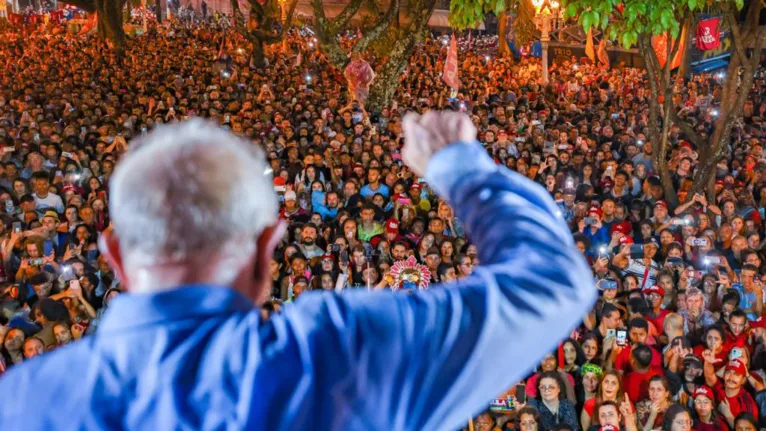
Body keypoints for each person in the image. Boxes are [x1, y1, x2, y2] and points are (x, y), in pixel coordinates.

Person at [0, 112, 595, 428]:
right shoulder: (339, 354)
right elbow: (550, 281)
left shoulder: (21, 403)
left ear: (115, 255)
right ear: (268, 248)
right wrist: (461, 166)